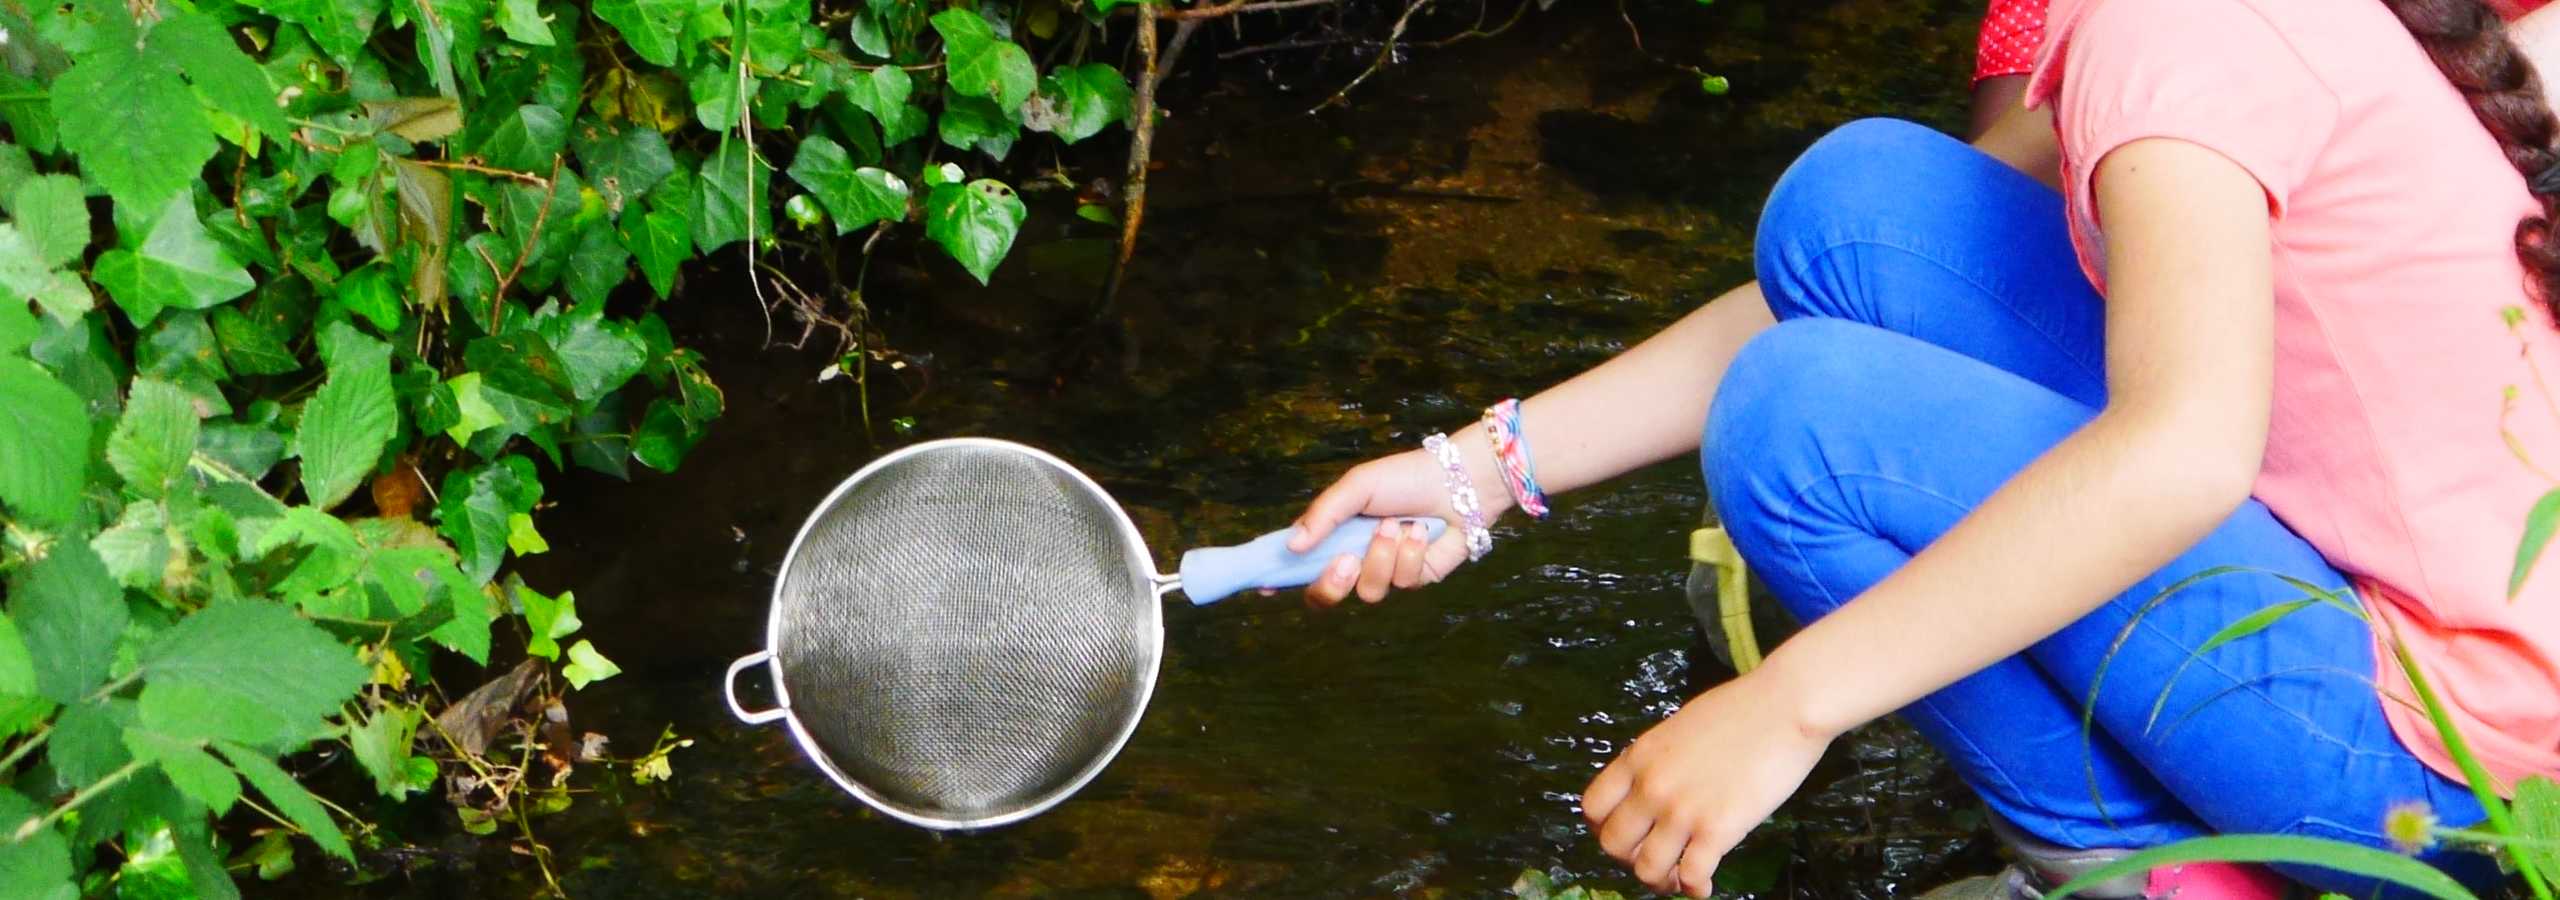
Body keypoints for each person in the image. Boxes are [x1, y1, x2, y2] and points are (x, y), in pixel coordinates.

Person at [1282, 0, 2560, 897]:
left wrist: (1785, 708)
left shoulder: (2180, 32)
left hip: (2443, 783)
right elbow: (1862, 272)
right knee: (1864, 205)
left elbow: (2182, 455)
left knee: (1804, 427)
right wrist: (1482, 471)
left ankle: (2164, 876)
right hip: (2434, 632)